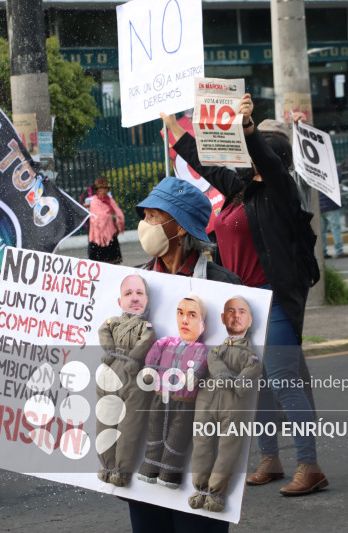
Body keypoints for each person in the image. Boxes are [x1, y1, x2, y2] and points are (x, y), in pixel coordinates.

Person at [161, 96, 326, 499]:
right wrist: (170, 122)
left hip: (273, 302)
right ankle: (270, 459)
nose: (239, 148)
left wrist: (249, 127)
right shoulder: (240, 190)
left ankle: (311, 465)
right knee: (260, 387)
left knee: (284, 381)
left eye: (249, 146)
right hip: (240, 306)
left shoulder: (280, 190)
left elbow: (265, 161)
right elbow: (204, 162)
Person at [127, 176, 240, 533]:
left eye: (156, 215)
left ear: (180, 227)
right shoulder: (134, 286)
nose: (146, 223)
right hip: (147, 439)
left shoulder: (225, 288)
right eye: (144, 214)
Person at [189, 296, 262, 513]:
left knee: (229, 449)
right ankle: (201, 489)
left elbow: (252, 370)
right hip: (206, 401)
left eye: (242, 312)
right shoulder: (215, 350)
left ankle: (216, 492)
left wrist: (236, 383)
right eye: (231, 311)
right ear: (222, 318)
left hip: (234, 405)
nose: (236, 316)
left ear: (250, 320)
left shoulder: (253, 354)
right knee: (201, 445)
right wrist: (222, 375)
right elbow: (211, 361)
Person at [138, 295, 208, 489]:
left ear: (202, 324)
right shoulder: (166, 342)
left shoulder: (200, 349)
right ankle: (149, 468)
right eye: (180, 313)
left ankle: (169, 473)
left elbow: (201, 364)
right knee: (155, 433)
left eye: (192, 315)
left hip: (183, 403)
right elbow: (153, 355)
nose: (184, 320)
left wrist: (193, 375)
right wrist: (149, 369)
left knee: (176, 438)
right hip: (159, 397)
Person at [95, 274, 156, 487]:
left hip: (133, 376)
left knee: (129, 427)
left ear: (147, 299)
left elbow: (147, 341)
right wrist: (110, 351)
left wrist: (134, 357)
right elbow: (102, 329)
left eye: (140, 293)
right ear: (119, 302)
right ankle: (107, 465)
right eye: (128, 293)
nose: (134, 298)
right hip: (111, 371)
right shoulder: (113, 322)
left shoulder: (146, 326)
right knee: (105, 421)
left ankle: (121, 470)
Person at [88, 176, 125, 264]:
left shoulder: (110, 200)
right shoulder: (94, 201)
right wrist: (110, 217)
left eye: (105, 188)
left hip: (111, 233)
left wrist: (117, 219)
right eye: (101, 188)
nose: (104, 191)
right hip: (98, 235)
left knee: (113, 262)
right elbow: (98, 216)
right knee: (99, 262)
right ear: (97, 190)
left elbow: (118, 213)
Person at [319, 190, 348, 259]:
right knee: (335, 228)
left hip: (319, 206)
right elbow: (339, 179)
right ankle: (339, 251)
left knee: (321, 231)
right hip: (331, 204)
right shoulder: (331, 178)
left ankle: (323, 252)